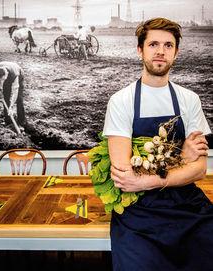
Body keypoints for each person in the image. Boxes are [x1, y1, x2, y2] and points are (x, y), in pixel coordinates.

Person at [103, 17, 212, 271]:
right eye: (153, 44)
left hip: (189, 207)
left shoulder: (189, 100)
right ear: (140, 50)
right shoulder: (121, 101)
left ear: (176, 52)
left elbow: (200, 170)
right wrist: (182, 159)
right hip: (139, 214)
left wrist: (152, 177)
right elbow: (125, 178)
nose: (160, 51)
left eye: (168, 45)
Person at [0, 61, 26, 129]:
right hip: (4, 75)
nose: (4, 80)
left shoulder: (15, 74)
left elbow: (15, 92)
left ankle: (21, 121)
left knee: (19, 98)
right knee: (5, 97)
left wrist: (11, 107)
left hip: (19, 74)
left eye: (4, 79)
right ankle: (8, 121)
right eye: (2, 79)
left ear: (6, 73)